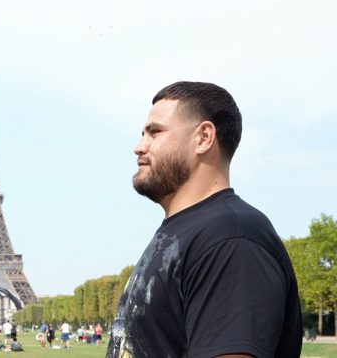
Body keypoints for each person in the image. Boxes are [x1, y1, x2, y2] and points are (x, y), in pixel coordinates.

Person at [106, 81, 302, 357]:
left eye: (155, 132)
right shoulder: (192, 233)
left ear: (203, 138)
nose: (139, 147)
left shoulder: (231, 239)